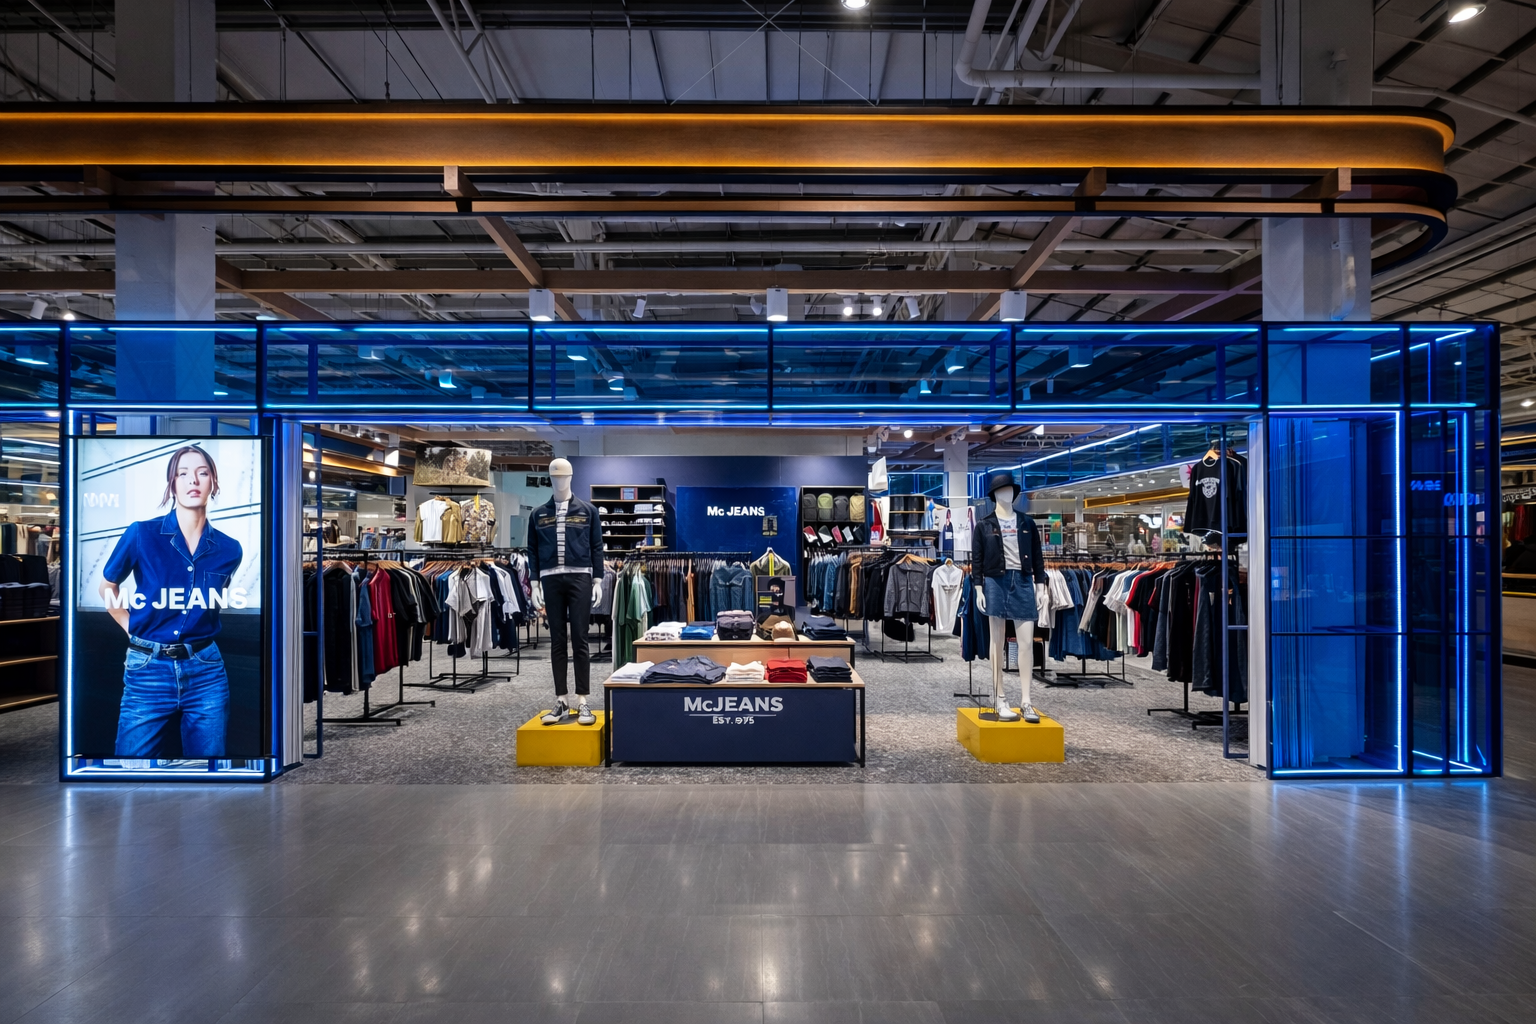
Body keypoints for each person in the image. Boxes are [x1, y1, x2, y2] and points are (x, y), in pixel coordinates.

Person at [99, 445, 244, 758]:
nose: (193, 480)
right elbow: (108, 586)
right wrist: (130, 627)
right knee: (131, 766)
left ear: (213, 481)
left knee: (208, 768)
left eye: (202, 473)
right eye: (183, 473)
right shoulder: (142, 534)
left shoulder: (230, 549)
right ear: (172, 483)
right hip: (147, 668)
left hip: (206, 670)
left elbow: (212, 601)